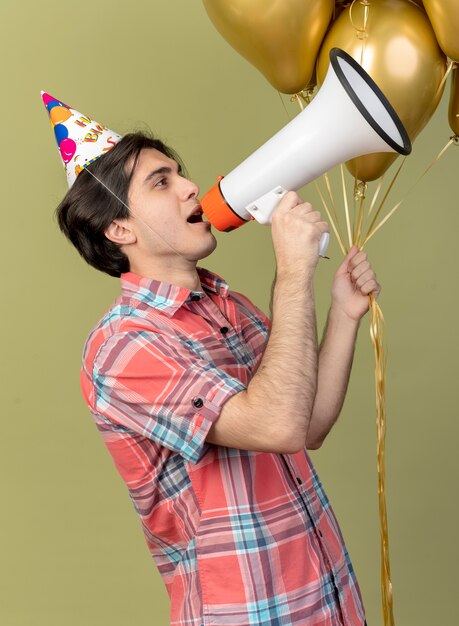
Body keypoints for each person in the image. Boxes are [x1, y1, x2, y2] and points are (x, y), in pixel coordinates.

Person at [44, 92, 379, 626]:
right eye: (161, 182)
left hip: (324, 594)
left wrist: (343, 314)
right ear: (120, 230)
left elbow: (307, 425)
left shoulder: (231, 306)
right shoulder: (124, 346)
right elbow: (274, 425)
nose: (189, 186)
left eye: (180, 173)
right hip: (246, 610)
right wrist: (293, 273)